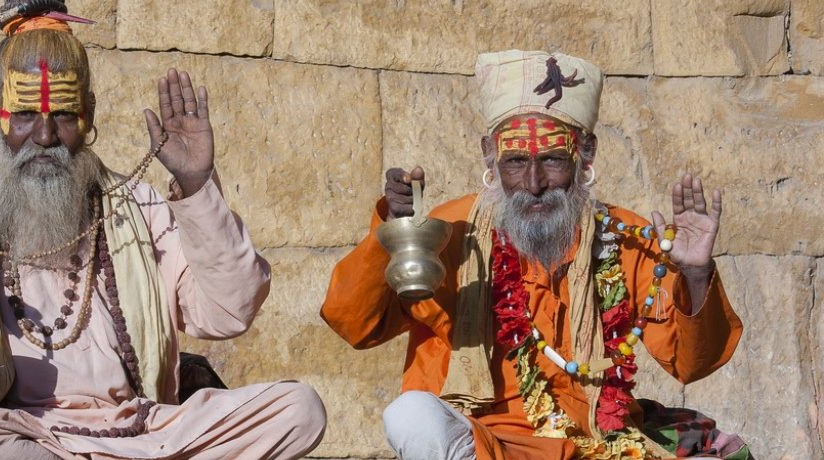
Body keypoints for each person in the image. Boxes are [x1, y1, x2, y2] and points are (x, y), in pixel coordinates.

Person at [0, 1, 326, 458]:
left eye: (65, 116)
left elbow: (228, 314)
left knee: (298, 410)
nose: (46, 137)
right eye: (28, 114)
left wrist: (196, 184)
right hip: (26, 434)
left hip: (147, 429)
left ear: (90, 115)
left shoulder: (135, 203)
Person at [320, 50, 748, 459]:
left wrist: (694, 273)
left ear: (587, 154)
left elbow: (691, 364)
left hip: (596, 444)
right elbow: (355, 325)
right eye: (516, 161)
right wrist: (392, 233)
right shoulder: (453, 231)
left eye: (553, 160)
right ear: (490, 155)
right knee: (411, 416)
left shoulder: (625, 238)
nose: (534, 182)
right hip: (484, 444)